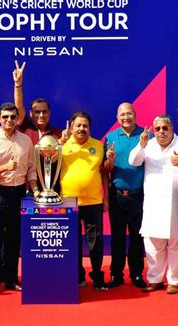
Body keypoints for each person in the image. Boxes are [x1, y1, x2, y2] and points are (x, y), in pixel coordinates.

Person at [0, 102, 39, 296]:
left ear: (17, 119)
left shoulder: (25, 140)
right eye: (5, 117)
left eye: (13, 117)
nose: (9, 120)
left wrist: (35, 189)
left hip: (19, 193)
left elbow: (31, 168)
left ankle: (11, 278)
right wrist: (5, 167)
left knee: (15, 237)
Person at [128, 115, 178, 294]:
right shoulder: (149, 144)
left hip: (177, 202)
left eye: (165, 128)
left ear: (172, 129)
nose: (161, 132)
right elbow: (133, 161)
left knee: (177, 244)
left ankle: (174, 281)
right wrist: (141, 144)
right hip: (154, 202)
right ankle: (155, 279)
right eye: (158, 129)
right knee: (153, 244)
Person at [60, 111, 109, 291]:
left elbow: (104, 174)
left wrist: (106, 199)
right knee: (72, 243)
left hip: (93, 202)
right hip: (68, 202)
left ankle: (97, 277)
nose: (82, 128)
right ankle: (77, 276)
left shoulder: (98, 145)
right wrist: (59, 144)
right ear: (71, 127)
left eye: (85, 125)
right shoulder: (62, 146)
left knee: (95, 243)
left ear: (90, 128)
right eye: (78, 125)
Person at [103, 103, 149, 288]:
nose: (126, 117)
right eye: (122, 114)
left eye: (129, 113)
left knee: (138, 237)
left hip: (139, 196)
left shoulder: (147, 136)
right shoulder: (111, 137)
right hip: (118, 196)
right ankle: (116, 274)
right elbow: (106, 170)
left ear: (135, 115)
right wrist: (110, 161)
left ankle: (137, 274)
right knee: (117, 237)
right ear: (117, 117)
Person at [13, 60, 62, 144]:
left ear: (49, 113)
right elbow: (19, 106)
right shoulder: (24, 127)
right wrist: (18, 84)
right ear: (31, 113)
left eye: (44, 111)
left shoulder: (58, 134)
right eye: (37, 112)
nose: (41, 115)